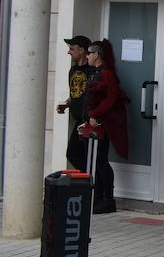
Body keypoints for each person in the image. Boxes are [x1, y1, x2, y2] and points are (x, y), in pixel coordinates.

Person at [83, 39, 130, 214]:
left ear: (97, 55)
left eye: (89, 53)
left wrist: (95, 114)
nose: (87, 56)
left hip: (103, 123)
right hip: (96, 121)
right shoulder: (96, 72)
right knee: (96, 160)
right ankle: (100, 197)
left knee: (101, 160)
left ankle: (108, 199)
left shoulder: (106, 73)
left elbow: (110, 98)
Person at [56, 35, 94, 172]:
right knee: (73, 154)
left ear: (82, 50)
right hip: (78, 120)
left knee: (86, 156)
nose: (69, 52)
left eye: (72, 49)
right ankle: (88, 180)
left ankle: (93, 183)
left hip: (89, 120)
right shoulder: (72, 70)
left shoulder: (92, 71)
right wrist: (66, 104)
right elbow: (75, 94)